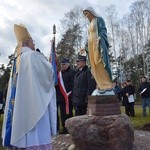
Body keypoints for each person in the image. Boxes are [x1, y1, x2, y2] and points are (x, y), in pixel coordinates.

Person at [2, 24, 57, 150]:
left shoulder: (18, 59)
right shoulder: (33, 56)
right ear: (27, 41)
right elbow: (49, 74)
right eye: (33, 41)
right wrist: (51, 63)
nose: (34, 44)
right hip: (36, 104)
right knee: (36, 130)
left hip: (21, 107)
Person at [83, 7, 112, 91]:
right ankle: (100, 83)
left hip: (97, 43)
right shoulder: (90, 23)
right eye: (85, 14)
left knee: (99, 61)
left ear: (91, 12)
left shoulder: (99, 19)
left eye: (87, 13)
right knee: (93, 64)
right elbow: (89, 36)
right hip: (91, 45)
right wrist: (85, 47)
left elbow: (103, 30)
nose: (86, 15)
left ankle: (107, 83)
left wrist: (100, 37)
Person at [56, 58, 75, 134]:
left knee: (69, 113)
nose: (62, 66)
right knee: (62, 114)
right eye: (61, 64)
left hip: (68, 96)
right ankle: (64, 128)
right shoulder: (60, 74)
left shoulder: (72, 72)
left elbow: (73, 84)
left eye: (64, 64)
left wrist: (71, 94)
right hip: (60, 97)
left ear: (68, 64)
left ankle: (70, 128)